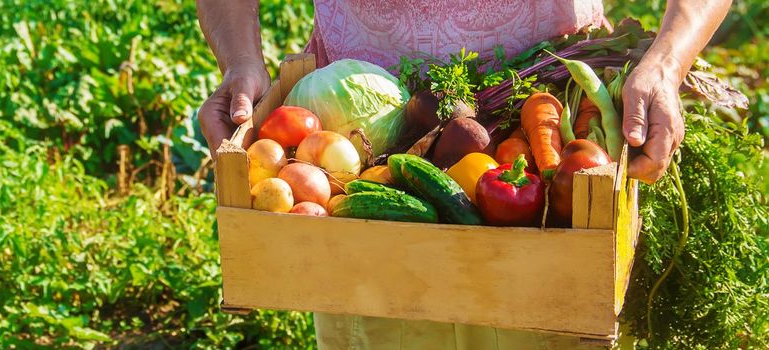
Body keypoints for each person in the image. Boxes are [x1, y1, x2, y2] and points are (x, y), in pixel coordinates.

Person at [196, 1, 730, 348]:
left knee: (551, 317)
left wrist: (664, 63)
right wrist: (240, 60)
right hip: (356, 151)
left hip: (556, 146)